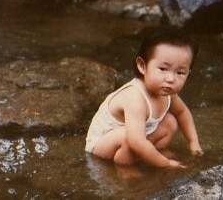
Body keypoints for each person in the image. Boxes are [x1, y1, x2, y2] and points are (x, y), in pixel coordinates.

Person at [85, 27, 204, 168]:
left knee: (170, 122)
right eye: (163, 69)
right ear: (142, 66)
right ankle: (126, 171)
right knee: (129, 139)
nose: (171, 79)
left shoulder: (167, 92)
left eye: (180, 72)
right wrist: (165, 164)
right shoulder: (135, 97)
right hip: (102, 145)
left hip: (136, 135)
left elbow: (182, 112)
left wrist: (193, 142)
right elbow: (135, 141)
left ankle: (149, 155)